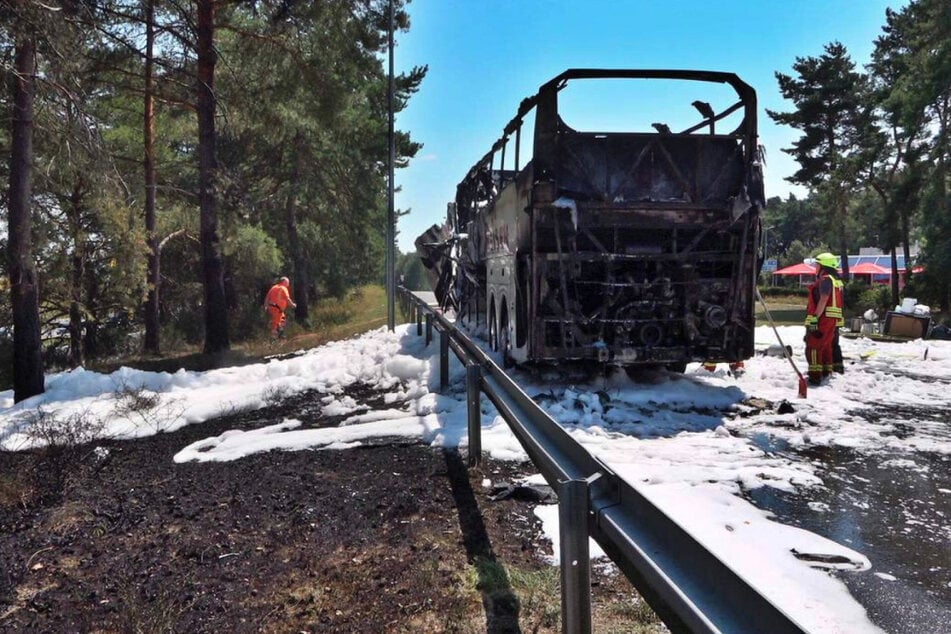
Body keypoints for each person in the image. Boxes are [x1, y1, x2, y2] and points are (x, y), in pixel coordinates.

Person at [804, 253, 845, 385]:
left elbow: (823, 299)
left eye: (817, 264)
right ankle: (826, 372)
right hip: (831, 319)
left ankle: (815, 376)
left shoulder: (826, 280)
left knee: (814, 345)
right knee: (826, 346)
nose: (815, 267)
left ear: (823, 266)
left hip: (823, 318)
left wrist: (815, 318)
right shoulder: (835, 281)